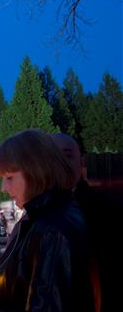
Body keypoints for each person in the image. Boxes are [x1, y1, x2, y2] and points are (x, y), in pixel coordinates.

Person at [0, 129, 94, 311]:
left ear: (36, 172)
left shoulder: (53, 229)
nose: (3, 187)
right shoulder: (39, 219)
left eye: (9, 177)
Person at [52, 133, 122, 312]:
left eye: (67, 156)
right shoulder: (35, 214)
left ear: (81, 163)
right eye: (52, 156)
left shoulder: (105, 211)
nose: (60, 163)